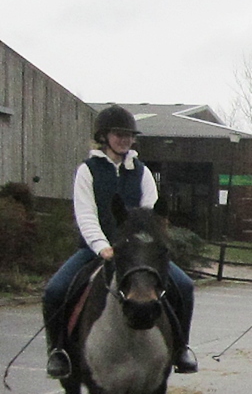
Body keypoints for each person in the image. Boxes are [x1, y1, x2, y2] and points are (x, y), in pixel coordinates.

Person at [42, 105, 198, 379]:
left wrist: (145, 247)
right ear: (104, 136)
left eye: (129, 135)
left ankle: (181, 348)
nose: (125, 140)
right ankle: (58, 351)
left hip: (137, 254)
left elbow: (151, 215)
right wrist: (102, 246)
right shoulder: (88, 171)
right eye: (119, 134)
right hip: (95, 251)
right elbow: (86, 214)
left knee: (184, 286)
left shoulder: (142, 172)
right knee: (54, 291)